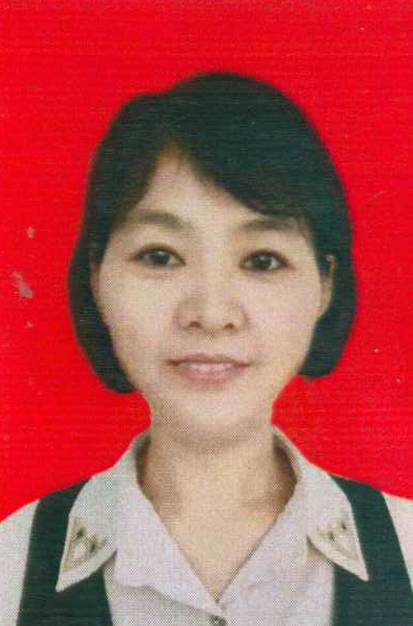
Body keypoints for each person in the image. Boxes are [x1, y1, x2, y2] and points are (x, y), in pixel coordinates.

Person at [1, 71, 412, 626]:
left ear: (324, 286)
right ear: (97, 277)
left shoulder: (407, 549)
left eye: (262, 260)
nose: (212, 314)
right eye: (160, 256)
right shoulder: (10, 565)